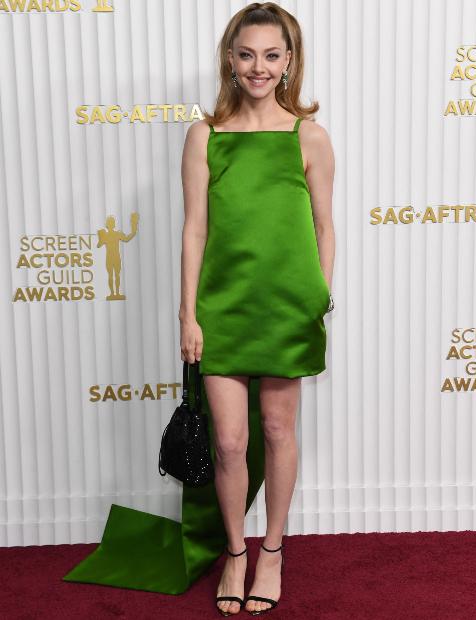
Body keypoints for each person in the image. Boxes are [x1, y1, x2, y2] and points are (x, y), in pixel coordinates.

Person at [179, 3, 336, 615]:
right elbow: (194, 230)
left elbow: (325, 224)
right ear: (229, 58)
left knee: (277, 430)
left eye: (272, 55)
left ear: (290, 61)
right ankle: (236, 553)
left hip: (287, 308)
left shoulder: (309, 135)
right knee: (228, 441)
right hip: (223, 307)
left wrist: (320, 295)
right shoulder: (205, 137)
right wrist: (188, 315)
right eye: (247, 54)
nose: (259, 67)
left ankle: (271, 551)